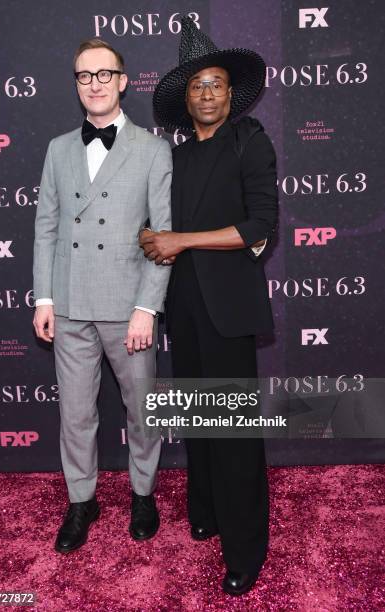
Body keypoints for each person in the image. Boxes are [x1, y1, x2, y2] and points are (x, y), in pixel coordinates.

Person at [141, 17, 278, 595]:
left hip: (230, 308)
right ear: (186, 96)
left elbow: (260, 226)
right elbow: (159, 226)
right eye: (196, 85)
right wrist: (150, 236)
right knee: (199, 419)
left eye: (215, 83)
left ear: (230, 91)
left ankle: (247, 547)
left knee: (236, 431)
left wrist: (180, 241)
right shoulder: (172, 156)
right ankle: (207, 512)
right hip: (186, 307)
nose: (206, 93)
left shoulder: (251, 140)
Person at [33, 38, 172, 553]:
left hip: (126, 306)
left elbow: (163, 233)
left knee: (141, 410)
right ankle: (81, 500)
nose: (93, 83)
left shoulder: (153, 150)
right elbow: (45, 228)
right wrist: (43, 298)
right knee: (75, 413)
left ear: (123, 80)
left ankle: (142, 494)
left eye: (103, 74)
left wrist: (147, 307)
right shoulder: (58, 148)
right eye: (84, 76)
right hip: (68, 305)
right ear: (77, 84)